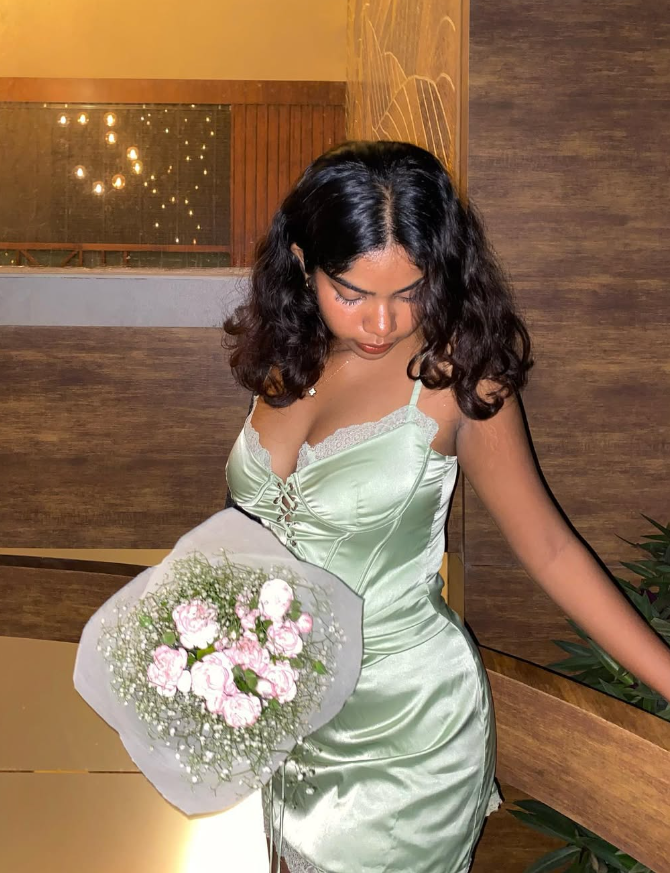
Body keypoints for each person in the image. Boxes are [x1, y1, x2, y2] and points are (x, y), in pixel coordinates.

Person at [222, 141, 670, 873]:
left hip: (408, 731)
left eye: (410, 292)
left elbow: (551, 548)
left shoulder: (458, 377)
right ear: (303, 264)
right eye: (353, 293)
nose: (382, 323)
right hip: (292, 717)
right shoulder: (289, 358)